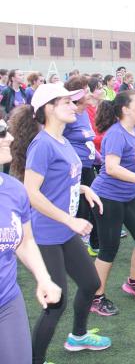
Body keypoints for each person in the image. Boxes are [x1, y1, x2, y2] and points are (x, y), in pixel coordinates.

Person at [10, 83, 111, 363]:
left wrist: (83, 189)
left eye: (72, 101)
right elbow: (31, 192)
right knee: (56, 302)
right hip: (44, 236)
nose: (73, 105)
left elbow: (58, 181)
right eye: (66, 101)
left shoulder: (63, 141)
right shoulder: (42, 144)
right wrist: (70, 219)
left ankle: (77, 337)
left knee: (91, 282)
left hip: (64, 232)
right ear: (48, 109)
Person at [88, 90, 135, 316]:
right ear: (125, 109)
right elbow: (111, 168)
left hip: (127, 195)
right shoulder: (116, 133)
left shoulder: (134, 132)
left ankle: (133, 282)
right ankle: (96, 297)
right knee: (109, 248)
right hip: (107, 197)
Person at [0, 118, 62, 364]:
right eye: (2, 132)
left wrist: (43, 278)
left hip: (7, 300)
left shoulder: (14, 190)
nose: (11, 138)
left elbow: (24, 241)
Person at [62, 76, 99, 257]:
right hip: (76, 166)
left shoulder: (85, 112)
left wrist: (98, 156)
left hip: (89, 163)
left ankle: (90, 237)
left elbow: (89, 137)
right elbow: (62, 140)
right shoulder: (68, 114)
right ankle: (79, 238)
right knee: (79, 203)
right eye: (86, 88)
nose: (90, 92)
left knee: (89, 201)